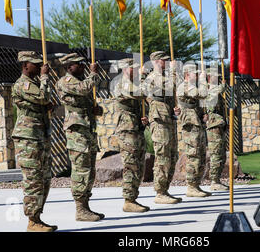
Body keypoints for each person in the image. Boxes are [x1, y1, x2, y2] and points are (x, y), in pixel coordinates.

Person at [56, 53, 105, 221]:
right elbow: (84, 88)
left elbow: (86, 100)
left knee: (90, 171)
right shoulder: (66, 81)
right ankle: (80, 209)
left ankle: (86, 207)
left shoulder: (80, 81)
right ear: (69, 67)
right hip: (77, 132)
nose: (83, 66)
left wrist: (96, 110)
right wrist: (93, 73)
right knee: (81, 170)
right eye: (79, 64)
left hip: (87, 130)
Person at [11, 51, 57, 232]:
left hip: (40, 136)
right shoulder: (22, 84)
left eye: (40, 64)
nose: (39, 67)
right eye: (36, 64)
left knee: (45, 179)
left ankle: (37, 217)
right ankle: (32, 221)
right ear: (25, 65)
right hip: (28, 138)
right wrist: (45, 77)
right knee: (33, 180)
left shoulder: (34, 84)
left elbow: (45, 102)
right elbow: (44, 97)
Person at [143, 51, 182, 204]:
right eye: (164, 60)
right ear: (157, 61)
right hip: (159, 119)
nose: (166, 63)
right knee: (163, 154)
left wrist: (175, 108)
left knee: (172, 155)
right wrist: (174, 72)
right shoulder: (152, 78)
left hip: (168, 117)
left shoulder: (167, 77)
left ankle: (165, 189)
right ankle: (159, 192)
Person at [112, 58, 150, 212]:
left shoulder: (132, 83)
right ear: (126, 69)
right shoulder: (121, 83)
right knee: (131, 165)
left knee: (139, 166)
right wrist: (143, 78)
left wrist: (144, 116)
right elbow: (142, 93)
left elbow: (142, 102)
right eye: (134, 68)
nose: (136, 71)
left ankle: (133, 198)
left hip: (135, 129)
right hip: (127, 131)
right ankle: (128, 200)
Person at [176, 63, 211, 197]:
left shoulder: (190, 87)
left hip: (196, 123)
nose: (196, 76)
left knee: (200, 154)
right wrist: (203, 80)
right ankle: (191, 186)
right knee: (193, 154)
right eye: (194, 73)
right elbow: (202, 94)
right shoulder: (184, 86)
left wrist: (203, 114)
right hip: (190, 124)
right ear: (187, 74)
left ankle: (196, 184)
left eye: (197, 74)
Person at [204, 68, 229, 191]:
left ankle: (217, 179)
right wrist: (221, 87)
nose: (218, 78)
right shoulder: (207, 90)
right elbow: (211, 105)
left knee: (221, 154)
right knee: (216, 154)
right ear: (209, 77)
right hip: (213, 127)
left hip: (219, 126)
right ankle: (214, 181)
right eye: (215, 76)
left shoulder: (216, 91)